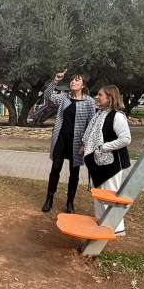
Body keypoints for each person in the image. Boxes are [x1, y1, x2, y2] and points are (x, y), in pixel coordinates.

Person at [41, 71, 96, 213]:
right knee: (55, 170)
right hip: (61, 140)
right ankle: (49, 198)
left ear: (83, 85)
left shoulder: (89, 101)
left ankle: (70, 203)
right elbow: (47, 96)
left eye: (77, 80)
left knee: (74, 173)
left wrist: (85, 144)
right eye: (72, 80)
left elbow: (91, 124)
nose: (72, 82)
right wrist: (55, 81)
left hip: (77, 143)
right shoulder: (64, 98)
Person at [82, 85, 132, 235]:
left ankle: (115, 229)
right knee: (98, 195)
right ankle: (102, 224)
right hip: (98, 163)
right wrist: (86, 146)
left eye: (100, 95)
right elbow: (90, 134)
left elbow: (126, 139)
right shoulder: (99, 114)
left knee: (109, 196)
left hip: (112, 164)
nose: (97, 97)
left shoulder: (117, 116)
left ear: (110, 98)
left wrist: (104, 147)